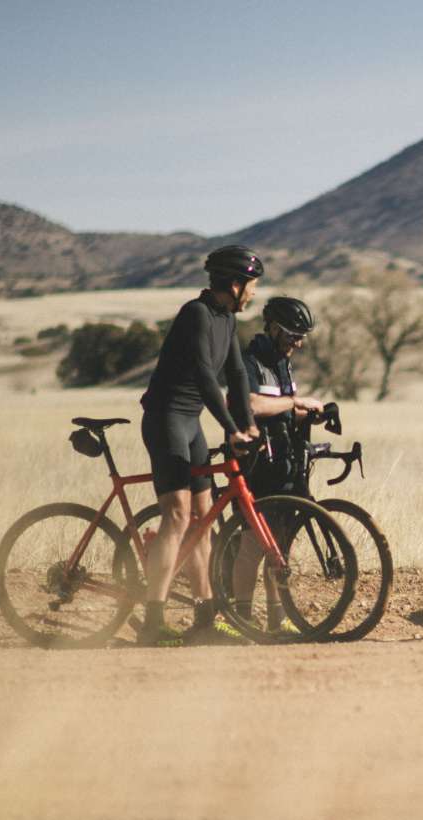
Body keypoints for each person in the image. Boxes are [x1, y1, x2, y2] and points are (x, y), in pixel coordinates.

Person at [136, 244, 264, 645]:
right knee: (177, 515)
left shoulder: (226, 319)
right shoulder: (196, 314)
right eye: (253, 286)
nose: (255, 293)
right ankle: (153, 622)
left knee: (204, 520)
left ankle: (205, 617)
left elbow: (238, 376)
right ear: (235, 283)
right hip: (166, 418)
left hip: (189, 422)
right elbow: (207, 377)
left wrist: (248, 424)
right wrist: (229, 427)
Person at [239, 296, 326, 500]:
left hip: (283, 457)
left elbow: (281, 412)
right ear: (274, 329)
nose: (299, 344)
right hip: (256, 460)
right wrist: (296, 401)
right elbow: (251, 405)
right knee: (257, 529)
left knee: (284, 528)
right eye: (293, 336)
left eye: (301, 337)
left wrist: (311, 415)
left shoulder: (281, 363)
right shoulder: (249, 361)